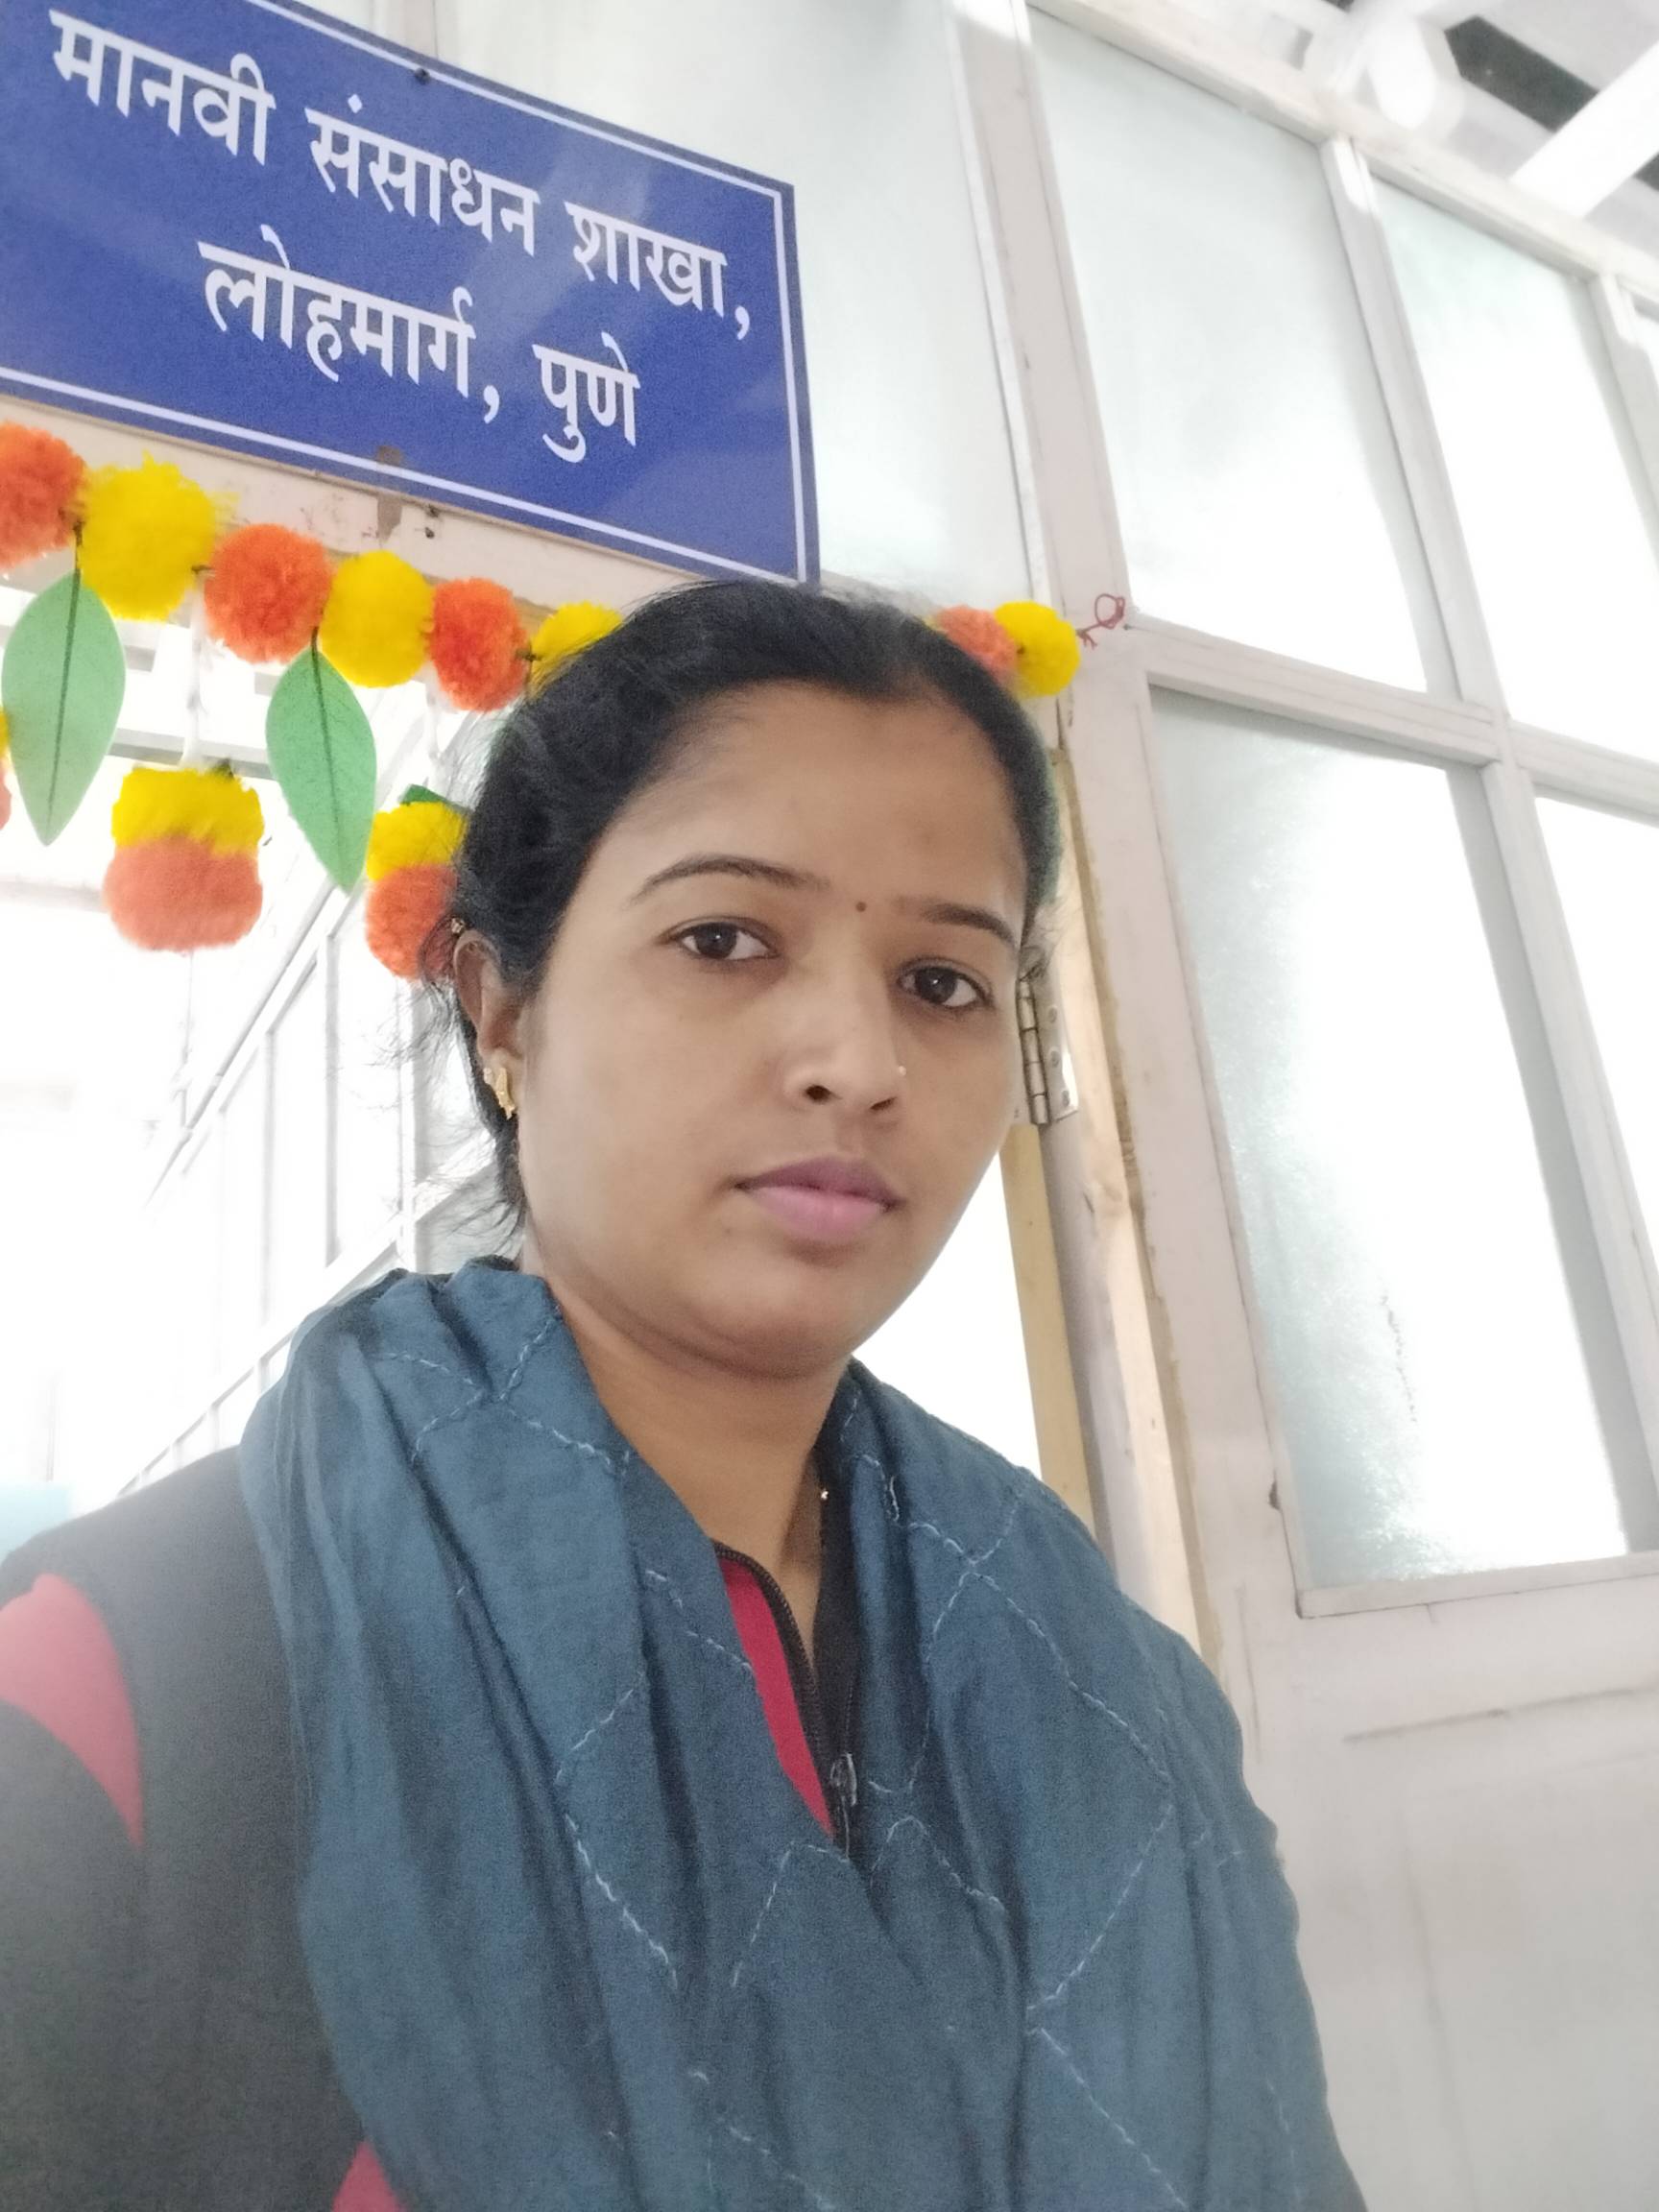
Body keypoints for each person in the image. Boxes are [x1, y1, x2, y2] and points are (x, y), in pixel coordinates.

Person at [0, 581, 1361, 2210]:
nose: (859, 1061)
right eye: (725, 940)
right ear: (503, 1012)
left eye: (942, 982)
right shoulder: (123, 1680)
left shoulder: (1117, 1685)